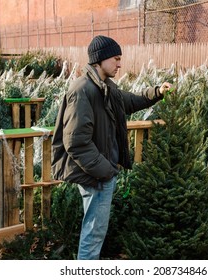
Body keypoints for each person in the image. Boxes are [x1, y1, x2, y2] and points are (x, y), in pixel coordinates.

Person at [51, 35, 172, 260]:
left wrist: (156, 92)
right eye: (116, 58)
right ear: (100, 59)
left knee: (96, 231)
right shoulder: (83, 91)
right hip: (96, 175)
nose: (119, 63)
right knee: (94, 233)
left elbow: (130, 100)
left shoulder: (105, 88)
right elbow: (76, 143)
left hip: (100, 172)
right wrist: (106, 171)